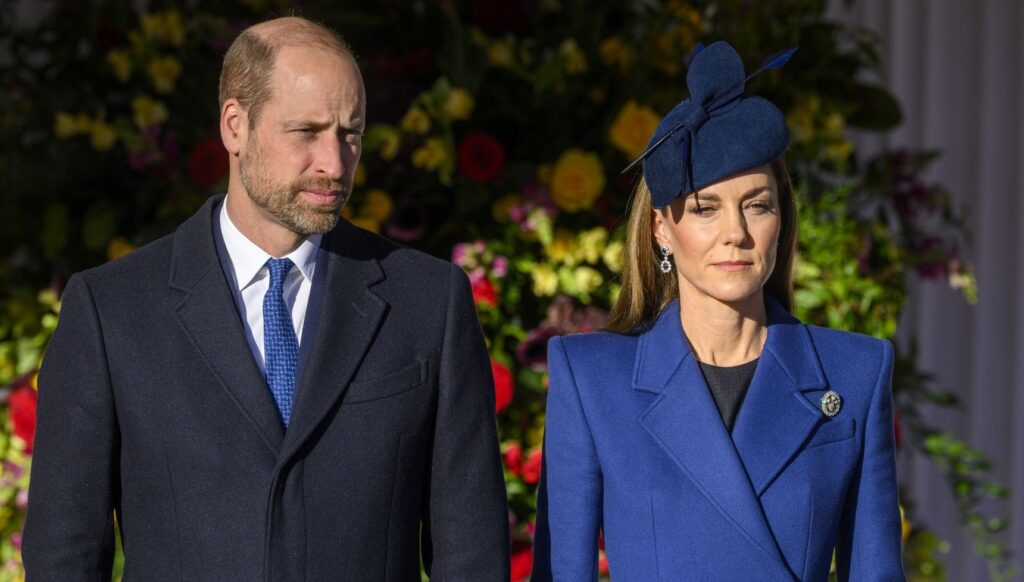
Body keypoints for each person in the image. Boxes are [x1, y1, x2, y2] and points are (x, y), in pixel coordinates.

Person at [23, 16, 509, 581]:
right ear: (235, 125)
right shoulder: (111, 311)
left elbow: (472, 553)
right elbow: (64, 558)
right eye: (306, 132)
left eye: (350, 133)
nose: (334, 163)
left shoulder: (430, 302)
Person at [531, 41, 904, 581]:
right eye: (706, 208)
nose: (736, 233)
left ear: (782, 218)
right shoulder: (592, 378)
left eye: (757, 204)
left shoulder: (855, 374)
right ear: (662, 226)